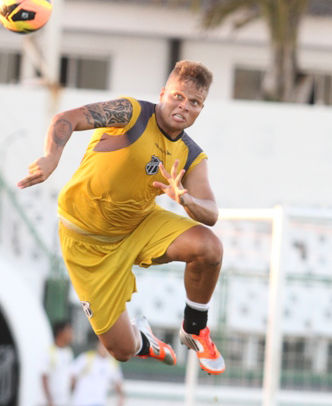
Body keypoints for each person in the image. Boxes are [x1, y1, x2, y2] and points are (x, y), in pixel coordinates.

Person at [18, 60, 225, 375]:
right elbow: (67, 118)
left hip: (139, 226)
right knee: (121, 350)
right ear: (163, 93)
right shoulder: (131, 113)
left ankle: (195, 328)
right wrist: (51, 157)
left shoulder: (191, 154)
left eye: (194, 102)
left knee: (210, 248)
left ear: (201, 109)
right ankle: (145, 340)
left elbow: (211, 212)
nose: (184, 106)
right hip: (85, 241)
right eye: (178, 97)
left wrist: (186, 198)